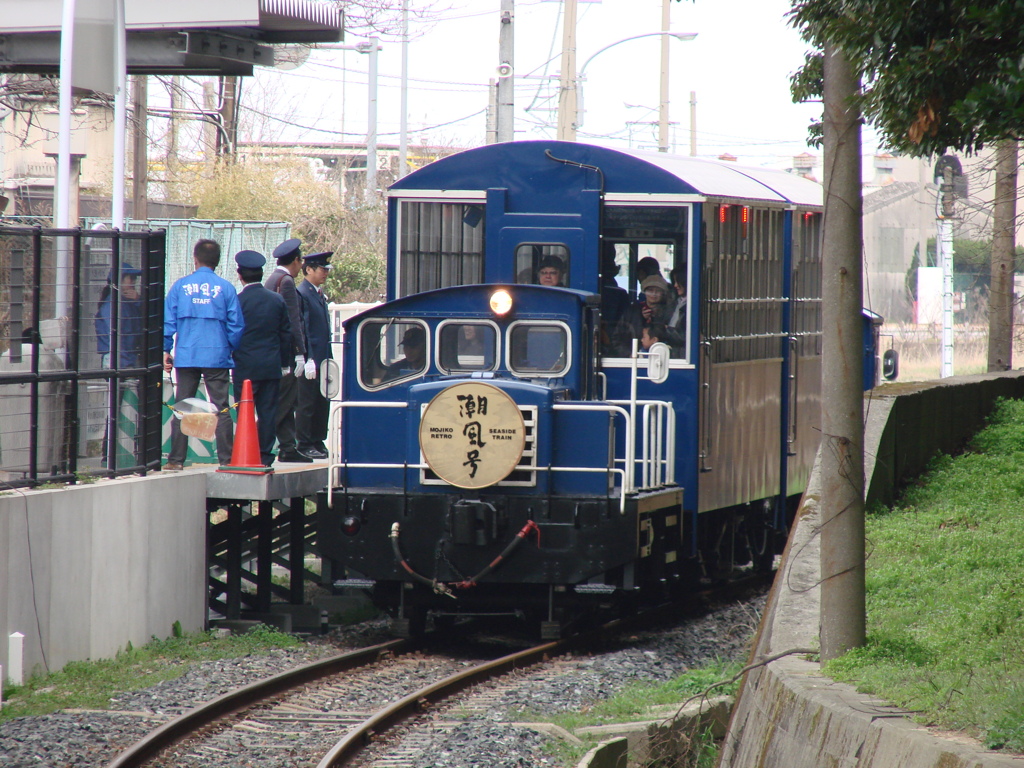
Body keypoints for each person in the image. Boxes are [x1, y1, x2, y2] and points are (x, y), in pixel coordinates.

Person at [162, 239, 244, 470]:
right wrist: (228, 348)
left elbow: (168, 321)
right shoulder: (226, 288)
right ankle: (226, 460)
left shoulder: (180, 287)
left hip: (187, 355)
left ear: (195, 260)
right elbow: (236, 326)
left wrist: (165, 350)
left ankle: (176, 460)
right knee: (220, 407)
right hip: (216, 356)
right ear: (217, 262)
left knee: (182, 408)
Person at [232, 250, 292, 467]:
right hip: (271, 366)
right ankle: (265, 457)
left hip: (244, 367)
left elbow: (232, 334)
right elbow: (286, 334)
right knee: (268, 413)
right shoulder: (276, 300)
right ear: (261, 273)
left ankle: (245, 454)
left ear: (240, 275)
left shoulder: (237, 302)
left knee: (245, 412)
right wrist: (285, 363)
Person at [264, 238, 311, 463]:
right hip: (286, 354)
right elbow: (294, 320)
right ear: (295, 260)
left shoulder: (273, 279)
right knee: (283, 402)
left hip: (274, 351)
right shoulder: (287, 282)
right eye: (301, 261)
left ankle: (287, 446)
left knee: (287, 399)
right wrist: (300, 352)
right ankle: (260, 443)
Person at [295, 251, 334, 460]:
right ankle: (304, 442)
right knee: (307, 401)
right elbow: (303, 328)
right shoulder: (302, 293)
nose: (325, 273)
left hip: (323, 357)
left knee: (321, 401)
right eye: (322, 269)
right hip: (311, 357)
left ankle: (318, 439)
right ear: (308, 269)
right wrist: (305, 356)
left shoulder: (317, 293)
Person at [613, 274, 680, 355]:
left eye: (658, 291)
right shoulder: (632, 310)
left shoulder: (669, 312)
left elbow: (670, 337)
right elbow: (617, 338)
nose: (654, 294)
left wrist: (655, 318)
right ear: (644, 292)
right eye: (650, 290)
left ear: (663, 294)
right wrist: (629, 354)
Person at [95, 262, 143, 368]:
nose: (134, 282)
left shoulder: (128, 302)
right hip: (118, 359)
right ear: (119, 280)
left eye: (135, 278)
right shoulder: (112, 304)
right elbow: (114, 336)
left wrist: (139, 301)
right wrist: (126, 364)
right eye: (131, 278)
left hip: (129, 357)